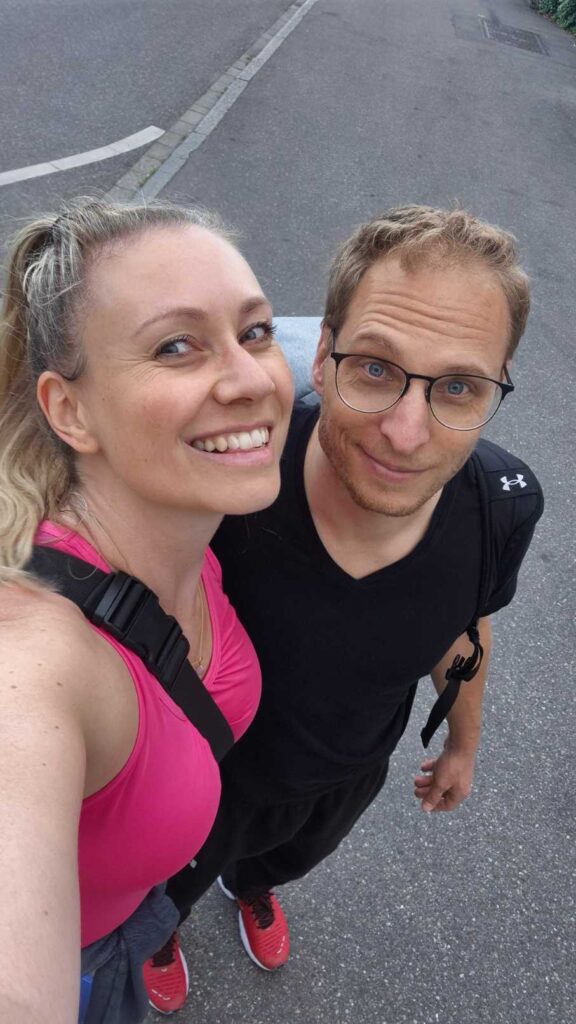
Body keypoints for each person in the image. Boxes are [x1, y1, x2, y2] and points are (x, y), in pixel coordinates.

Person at [145, 204, 543, 1009]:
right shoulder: (230, 479)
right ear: (323, 357)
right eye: (376, 369)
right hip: (201, 779)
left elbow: (465, 625)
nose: (405, 431)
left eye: (458, 387)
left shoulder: (503, 507)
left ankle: (253, 886)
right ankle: (159, 934)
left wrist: (463, 745)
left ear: (495, 389)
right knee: (160, 894)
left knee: (285, 859)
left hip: (347, 773)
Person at [0, 197, 293, 1024]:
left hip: (138, 916)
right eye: (175, 345)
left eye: (255, 331)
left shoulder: (185, 515)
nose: (251, 380)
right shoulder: (35, 658)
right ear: (69, 410)